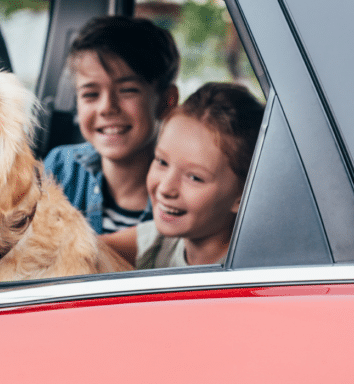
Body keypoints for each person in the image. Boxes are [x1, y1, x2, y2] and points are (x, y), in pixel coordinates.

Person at [100, 82, 264, 268]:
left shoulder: (248, 272)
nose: (165, 188)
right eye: (162, 162)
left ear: (243, 195)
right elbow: (85, 249)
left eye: (194, 177)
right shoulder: (161, 241)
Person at [44, 16, 180, 234]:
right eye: (90, 94)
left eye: (127, 90)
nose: (107, 108)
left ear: (167, 101)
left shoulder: (182, 195)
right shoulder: (60, 168)